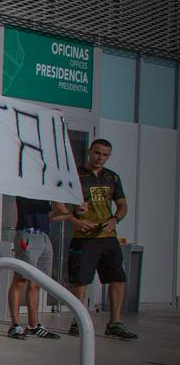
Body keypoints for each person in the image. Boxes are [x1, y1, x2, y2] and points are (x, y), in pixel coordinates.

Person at [67, 139, 138, 340]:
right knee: (81, 281)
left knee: (117, 278)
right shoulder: (76, 175)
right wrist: (74, 220)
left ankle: (115, 322)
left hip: (107, 236)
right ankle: (77, 321)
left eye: (105, 155)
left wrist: (115, 219)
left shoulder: (112, 177)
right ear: (90, 151)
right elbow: (60, 207)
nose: (100, 158)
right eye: (97, 153)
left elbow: (123, 205)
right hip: (84, 237)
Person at [6, 196, 67, 339]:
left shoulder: (45, 193)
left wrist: (71, 213)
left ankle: (33, 325)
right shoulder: (25, 189)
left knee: (36, 283)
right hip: (27, 234)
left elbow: (50, 216)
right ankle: (14, 325)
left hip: (44, 236)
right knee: (20, 280)